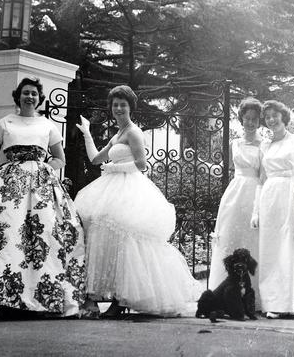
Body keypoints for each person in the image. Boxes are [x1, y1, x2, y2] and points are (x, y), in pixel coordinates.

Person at [74, 85, 201, 318]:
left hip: (130, 188)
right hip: (112, 187)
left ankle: (121, 299)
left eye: (123, 104)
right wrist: (87, 133)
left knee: (127, 238)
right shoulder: (117, 134)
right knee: (107, 234)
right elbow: (94, 159)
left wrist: (114, 167)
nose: (119, 108)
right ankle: (114, 297)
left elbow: (142, 164)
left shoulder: (133, 132)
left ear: (130, 107)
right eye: (115, 105)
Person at [0, 77, 86, 319]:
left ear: (39, 97)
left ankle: (43, 302)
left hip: (41, 189)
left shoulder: (47, 125)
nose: (30, 97)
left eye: (34, 93)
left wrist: (43, 173)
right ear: (18, 96)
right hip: (9, 189)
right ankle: (2, 303)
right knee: (8, 239)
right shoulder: (5, 123)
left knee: (43, 239)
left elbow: (59, 159)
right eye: (25, 93)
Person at [208, 98, 263, 310]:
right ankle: (225, 296)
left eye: (254, 119)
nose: (250, 122)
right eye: (247, 118)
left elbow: (262, 174)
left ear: (259, 121)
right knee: (231, 238)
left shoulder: (264, 144)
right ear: (241, 119)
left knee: (252, 240)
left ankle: (252, 297)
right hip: (235, 193)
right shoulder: (235, 143)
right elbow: (235, 169)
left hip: (255, 192)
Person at [251, 100, 294, 319]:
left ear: (284, 116)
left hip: (289, 193)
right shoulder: (265, 145)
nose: (271, 120)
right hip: (269, 195)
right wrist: (256, 210)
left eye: (275, 115)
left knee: (286, 247)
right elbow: (261, 179)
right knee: (269, 249)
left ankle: (287, 303)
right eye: (268, 116)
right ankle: (271, 302)